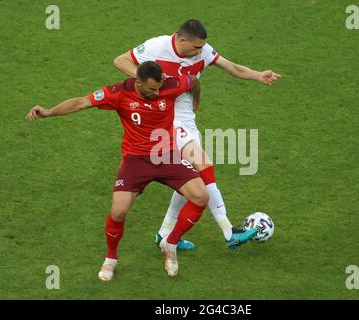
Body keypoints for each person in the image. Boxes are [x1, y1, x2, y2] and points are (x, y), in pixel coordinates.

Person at [26, 61, 219, 280]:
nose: (156, 93)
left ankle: (170, 243)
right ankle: (110, 259)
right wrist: (49, 112)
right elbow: (80, 102)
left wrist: (195, 102)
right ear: (137, 83)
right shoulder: (119, 93)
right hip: (135, 160)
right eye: (151, 90)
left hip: (167, 156)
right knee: (118, 211)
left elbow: (193, 81)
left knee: (201, 196)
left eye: (158, 88)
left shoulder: (170, 85)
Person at [114, 19, 281, 250]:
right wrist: (151, 81)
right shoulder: (157, 46)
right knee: (203, 165)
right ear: (182, 40)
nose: (200, 52)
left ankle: (164, 234)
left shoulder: (202, 51)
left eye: (202, 48)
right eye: (195, 48)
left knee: (188, 178)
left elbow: (231, 67)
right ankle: (229, 231)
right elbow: (120, 60)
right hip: (166, 120)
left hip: (187, 120)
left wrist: (258, 75)